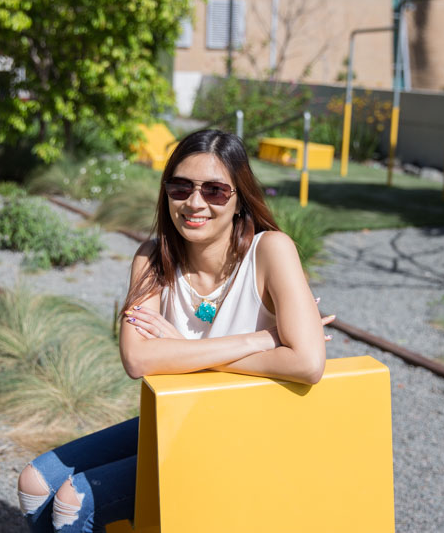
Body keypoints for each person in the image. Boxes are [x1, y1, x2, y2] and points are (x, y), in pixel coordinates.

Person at [17, 129, 330, 532]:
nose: (194, 202)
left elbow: (307, 362)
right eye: (181, 187)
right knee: (33, 483)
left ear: (239, 199)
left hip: (243, 435)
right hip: (176, 419)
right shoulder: (152, 259)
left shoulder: (270, 251)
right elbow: (138, 359)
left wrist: (183, 348)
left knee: (72, 500)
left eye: (215, 190)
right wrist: (264, 340)